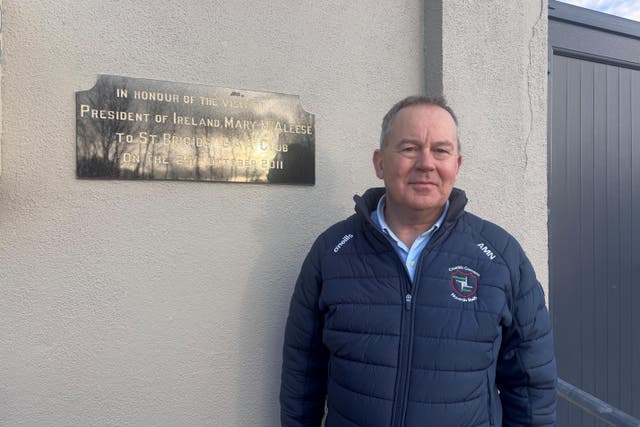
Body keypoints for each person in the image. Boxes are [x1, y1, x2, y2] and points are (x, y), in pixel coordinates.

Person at [280, 96, 557, 426]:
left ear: (457, 164)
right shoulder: (331, 253)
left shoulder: (500, 256)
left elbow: (530, 386)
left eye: (441, 150)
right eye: (410, 148)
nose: (426, 163)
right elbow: (302, 379)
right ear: (380, 162)